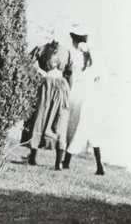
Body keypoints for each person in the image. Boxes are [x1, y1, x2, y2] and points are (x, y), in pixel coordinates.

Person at [21, 38, 72, 170]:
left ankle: (33, 157)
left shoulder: (40, 48)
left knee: (39, 119)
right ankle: (58, 163)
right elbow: (70, 74)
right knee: (59, 121)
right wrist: (67, 89)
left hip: (44, 87)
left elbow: (26, 63)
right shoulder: (66, 52)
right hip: (61, 87)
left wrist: (37, 74)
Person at [62, 28, 105, 175]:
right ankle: (99, 165)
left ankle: (66, 160)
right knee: (90, 128)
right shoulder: (92, 57)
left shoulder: (76, 57)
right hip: (92, 95)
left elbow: (71, 76)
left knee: (75, 125)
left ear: (75, 41)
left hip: (79, 94)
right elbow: (98, 78)